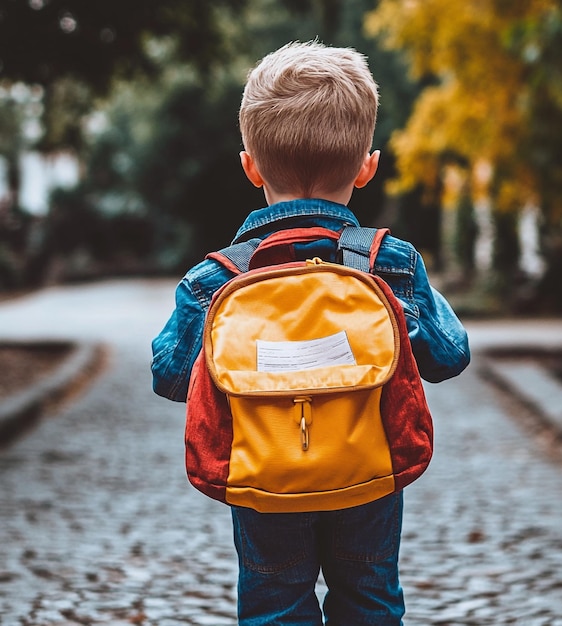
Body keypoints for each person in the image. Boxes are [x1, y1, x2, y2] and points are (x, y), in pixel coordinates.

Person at [151, 40, 470, 626]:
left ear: (250, 166)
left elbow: (170, 379)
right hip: (369, 470)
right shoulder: (389, 264)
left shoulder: (216, 279)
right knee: (370, 600)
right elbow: (449, 356)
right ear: (367, 167)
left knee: (275, 604)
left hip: (262, 473)